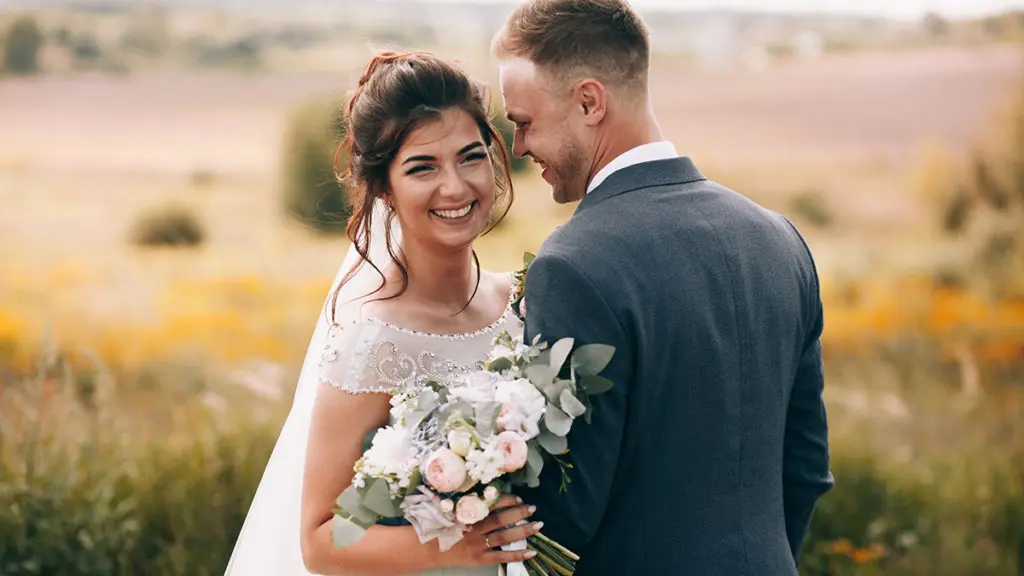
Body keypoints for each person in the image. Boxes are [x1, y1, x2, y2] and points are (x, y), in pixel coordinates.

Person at [491, 1, 835, 574]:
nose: (520, 147)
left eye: (524, 122)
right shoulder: (779, 239)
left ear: (588, 101)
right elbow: (805, 470)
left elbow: (562, 520)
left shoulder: (574, 265)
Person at [223, 51, 542, 576]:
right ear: (384, 189)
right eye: (422, 167)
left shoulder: (521, 303)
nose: (456, 187)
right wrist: (457, 548)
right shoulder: (370, 343)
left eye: (471, 156)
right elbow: (320, 541)